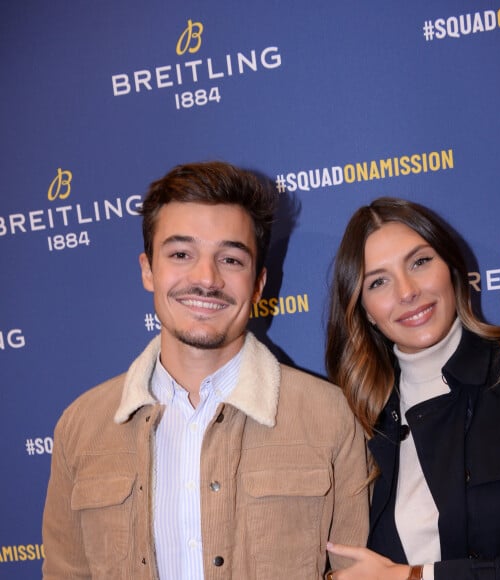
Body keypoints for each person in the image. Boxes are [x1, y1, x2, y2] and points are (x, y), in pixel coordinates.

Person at [42, 161, 369, 579]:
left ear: (258, 283)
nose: (206, 279)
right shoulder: (81, 428)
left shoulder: (329, 416)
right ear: (148, 269)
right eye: (181, 254)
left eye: (231, 259)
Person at [324, 197, 500, 580]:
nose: (407, 291)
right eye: (379, 281)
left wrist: (411, 577)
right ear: (364, 311)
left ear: (452, 269)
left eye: (420, 262)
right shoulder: (349, 416)